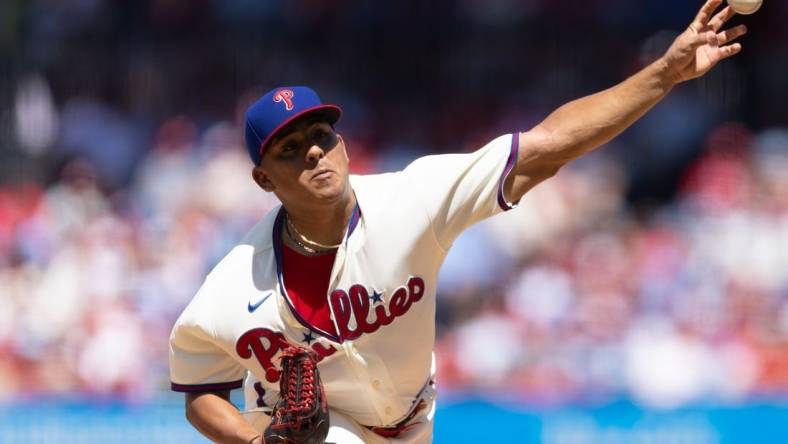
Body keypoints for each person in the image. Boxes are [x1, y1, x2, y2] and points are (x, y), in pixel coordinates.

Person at [169, 1, 747, 442]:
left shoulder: (412, 199)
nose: (314, 153)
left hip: (416, 420)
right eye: (290, 149)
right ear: (263, 179)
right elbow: (198, 388)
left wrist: (664, 75)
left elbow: (546, 146)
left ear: (342, 143)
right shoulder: (233, 286)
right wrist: (249, 435)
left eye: (321, 136)